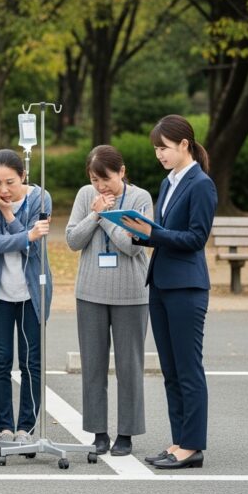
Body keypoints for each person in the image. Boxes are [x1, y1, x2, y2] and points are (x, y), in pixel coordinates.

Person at [124, 115, 216, 469]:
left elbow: (195, 238)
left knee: (188, 368)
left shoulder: (201, 184)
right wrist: (141, 233)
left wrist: (155, 233)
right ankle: (179, 441)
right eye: (155, 149)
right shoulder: (169, 182)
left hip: (187, 286)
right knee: (171, 369)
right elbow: (163, 231)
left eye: (163, 147)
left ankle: (192, 446)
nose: (159, 154)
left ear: (183, 145)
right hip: (160, 283)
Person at [65, 145, 152, 457]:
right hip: (90, 292)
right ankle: (99, 433)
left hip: (131, 293)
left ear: (122, 172)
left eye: (106, 179)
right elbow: (73, 240)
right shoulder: (84, 196)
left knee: (129, 366)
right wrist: (94, 214)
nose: (100, 186)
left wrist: (104, 217)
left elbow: (132, 246)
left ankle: (126, 434)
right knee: (93, 365)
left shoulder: (141, 198)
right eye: (94, 179)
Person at [0, 149, 52, 452]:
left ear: (23, 176)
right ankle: (5, 428)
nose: (3, 190)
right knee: (0, 362)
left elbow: (35, 251)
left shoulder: (40, 199)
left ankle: (26, 428)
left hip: (32, 292)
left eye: (10, 181)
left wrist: (8, 215)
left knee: (32, 363)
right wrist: (26, 234)